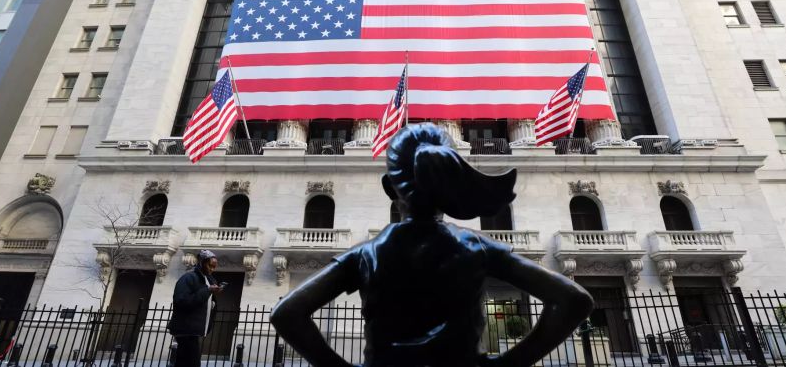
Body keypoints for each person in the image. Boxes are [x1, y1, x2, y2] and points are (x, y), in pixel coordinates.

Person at [270, 123, 594, 367]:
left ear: (388, 188)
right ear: (448, 187)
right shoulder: (476, 246)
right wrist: (508, 365)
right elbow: (574, 299)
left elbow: (287, 313)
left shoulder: (367, 254)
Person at [168, 249, 223, 367]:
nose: (212, 269)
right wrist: (207, 291)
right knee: (192, 363)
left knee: (184, 362)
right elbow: (182, 301)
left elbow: (204, 301)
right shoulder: (188, 278)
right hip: (185, 330)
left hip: (194, 331)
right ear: (202, 262)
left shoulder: (209, 280)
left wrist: (212, 298)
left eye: (214, 267)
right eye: (210, 266)